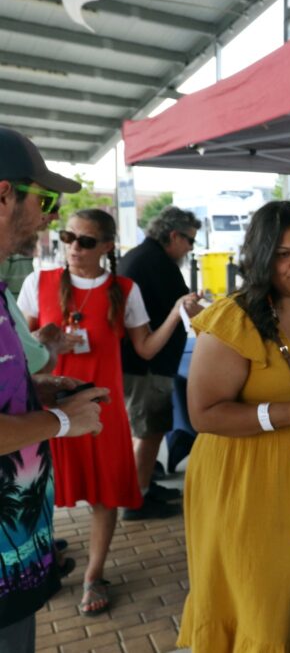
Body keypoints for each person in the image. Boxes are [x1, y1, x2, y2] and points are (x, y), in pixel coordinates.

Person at [179, 201, 290, 652]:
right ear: (259, 256)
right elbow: (205, 414)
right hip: (248, 478)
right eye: (283, 254)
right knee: (261, 601)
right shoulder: (231, 320)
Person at [18, 208, 195, 616]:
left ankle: (93, 574)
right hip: (50, 407)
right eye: (67, 237)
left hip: (101, 410)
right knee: (39, 490)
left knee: (104, 496)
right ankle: (46, 560)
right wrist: (42, 340)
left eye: (85, 241)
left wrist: (174, 314)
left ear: (107, 247)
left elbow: (146, 348)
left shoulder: (124, 289)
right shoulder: (38, 282)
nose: (73, 248)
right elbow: (24, 350)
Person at [0, 126, 106, 651]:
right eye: (43, 199)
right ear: (2, 195)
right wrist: (65, 421)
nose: (51, 216)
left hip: (16, 557)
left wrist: (34, 389)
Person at [119, 206, 203, 520]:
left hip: (140, 363)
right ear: (173, 235)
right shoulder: (156, 262)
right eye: (190, 241)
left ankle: (143, 487)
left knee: (149, 429)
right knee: (150, 430)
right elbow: (187, 305)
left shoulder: (143, 256)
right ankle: (137, 500)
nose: (191, 248)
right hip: (146, 366)